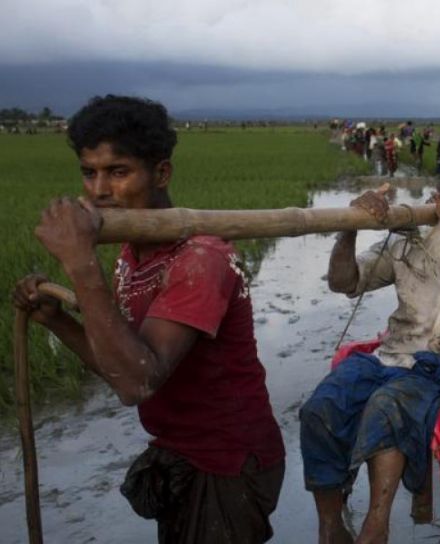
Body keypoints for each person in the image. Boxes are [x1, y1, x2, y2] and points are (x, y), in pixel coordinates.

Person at [11, 95, 285, 543]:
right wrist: (58, 321)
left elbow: (137, 383)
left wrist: (81, 265)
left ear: (160, 173)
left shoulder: (200, 259)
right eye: (89, 171)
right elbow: (121, 362)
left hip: (229, 462)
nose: (99, 190)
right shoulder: (131, 256)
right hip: (180, 451)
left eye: (118, 172)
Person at [300, 164, 440, 544]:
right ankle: (330, 525)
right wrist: (350, 225)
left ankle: (376, 526)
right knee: (320, 408)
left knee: (388, 405)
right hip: (389, 356)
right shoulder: (410, 240)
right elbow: (345, 283)